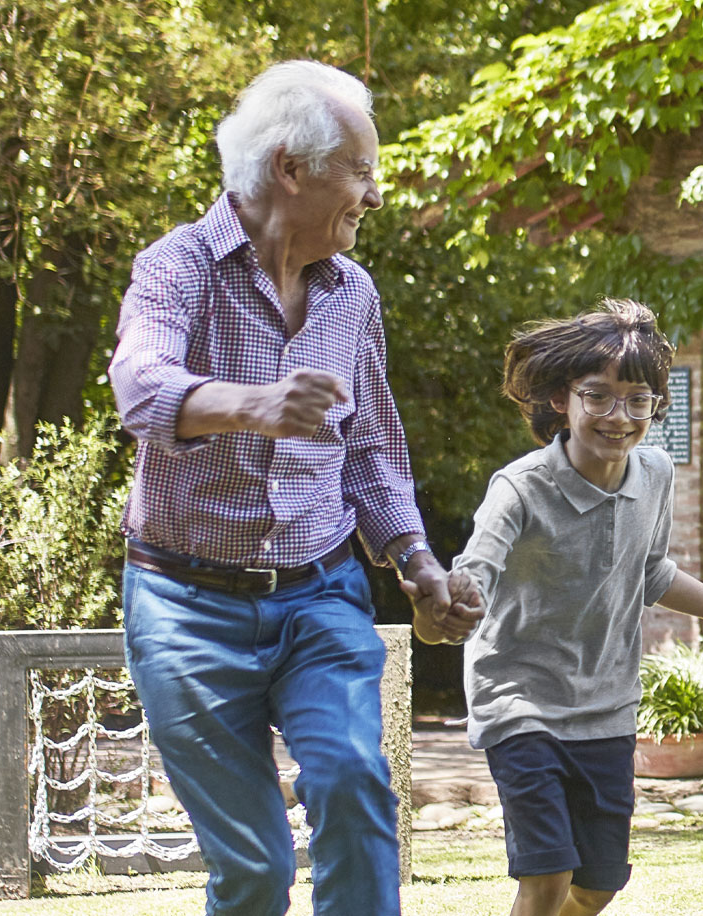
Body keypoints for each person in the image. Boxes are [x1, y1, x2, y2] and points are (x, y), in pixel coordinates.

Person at [106, 59, 474, 916]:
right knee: (254, 870)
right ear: (290, 167)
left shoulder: (354, 294)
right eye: (362, 171)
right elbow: (139, 385)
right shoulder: (178, 268)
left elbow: (373, 447)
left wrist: (416, 562)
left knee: (353, 781)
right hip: (185, 606)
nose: (374, 196)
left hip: (320, 592)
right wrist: (257, 406)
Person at [441, 300, 703, 916]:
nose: (618, 417)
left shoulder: (655, 474)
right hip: (521, 701)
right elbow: (476, 569)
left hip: (606, 707)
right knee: (547, 875)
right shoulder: (521, 488)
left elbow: (650, 570)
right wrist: (457, 598)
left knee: (597, 886)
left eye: (637, 400)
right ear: (562, 400)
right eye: (598, 397)